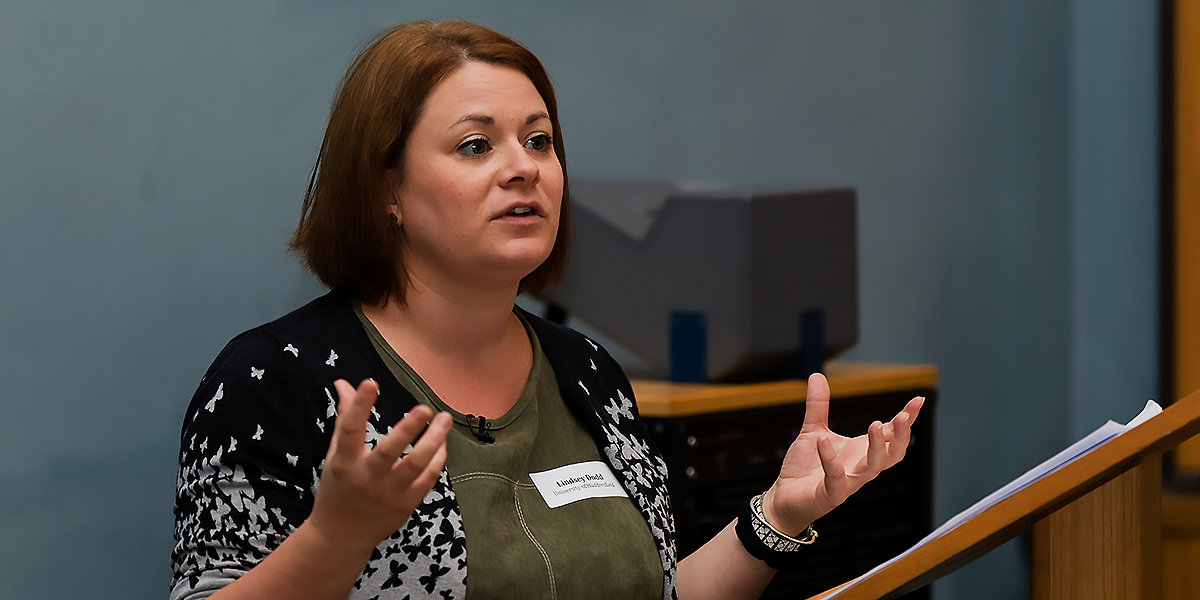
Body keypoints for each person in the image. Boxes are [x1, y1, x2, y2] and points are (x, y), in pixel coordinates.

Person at [171, 19, 923, 600]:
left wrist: (778, 518)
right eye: (475, 146)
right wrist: (333, 538)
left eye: (540, 140)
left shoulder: (586, 372)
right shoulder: (275, 380)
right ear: (385, 191)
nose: (523, 166)